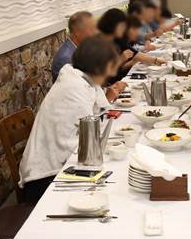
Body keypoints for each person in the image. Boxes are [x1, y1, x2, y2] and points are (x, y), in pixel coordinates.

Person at [19, 35, 119, 203]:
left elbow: (95, 113)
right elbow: (88, 144)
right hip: (44, 179)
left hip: (54, 167)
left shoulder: (77, 78)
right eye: (109, 68)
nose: (111, 73)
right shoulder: (75, 88)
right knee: (107, 193)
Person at [51, 11, 97, 82]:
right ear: (77, 32)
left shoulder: (82, 48)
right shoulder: (65, 59)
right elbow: (80, 86)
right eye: (91, 29)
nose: (95, 33)